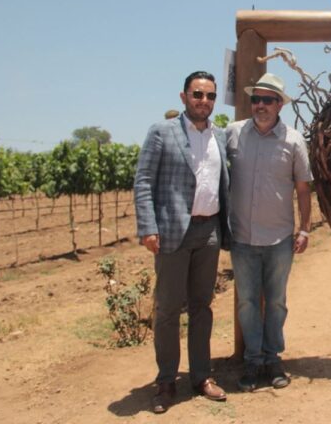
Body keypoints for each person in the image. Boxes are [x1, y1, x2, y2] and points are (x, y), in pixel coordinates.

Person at [134, 71, 230, 413]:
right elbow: (143, 181)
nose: (203, 101)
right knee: (169, 309)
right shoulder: (162, 132)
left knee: (202, 307)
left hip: (209, 233)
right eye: (197, 94)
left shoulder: (219, 135)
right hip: (173, 231)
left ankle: (201, 376)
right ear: (183, 96)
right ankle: (166, 380)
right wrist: (148, 226)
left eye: (209, 96)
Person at [225, 73, 312, 392]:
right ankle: (252, 361)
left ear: (279, 105)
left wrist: (305, 228)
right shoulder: (232, 134)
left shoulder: (294, 139)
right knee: (247, 302)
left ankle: (273, 358)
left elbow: (303, 188)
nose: (260, 105)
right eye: (256, 99)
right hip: (242, 236)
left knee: (276, 302)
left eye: (268, 100)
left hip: (279, 238)